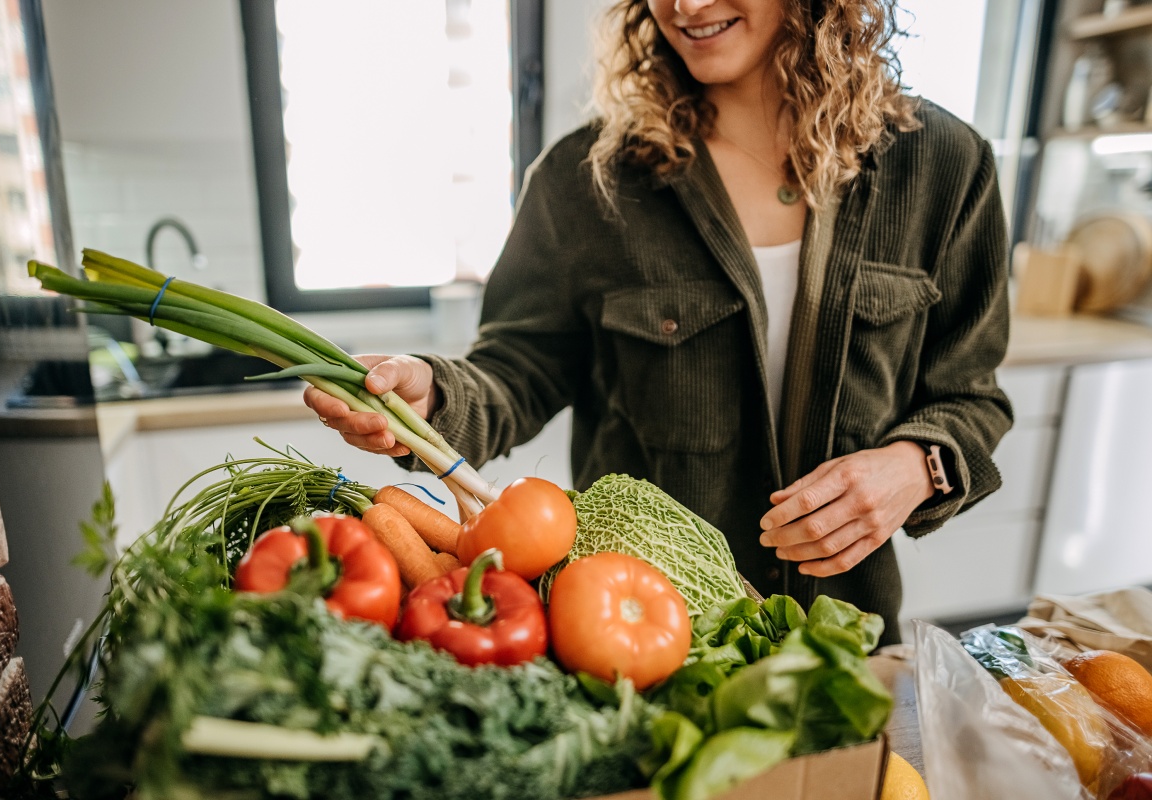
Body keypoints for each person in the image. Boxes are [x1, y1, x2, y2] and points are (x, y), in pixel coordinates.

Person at [305, 0, 1013, 645]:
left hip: (845, 639)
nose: (687, 7)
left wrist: (916, 467)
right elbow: (516, 369)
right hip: (632, 637)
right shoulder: (586, 180)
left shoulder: (945, 166)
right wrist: (431, 394)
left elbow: (971, 395)